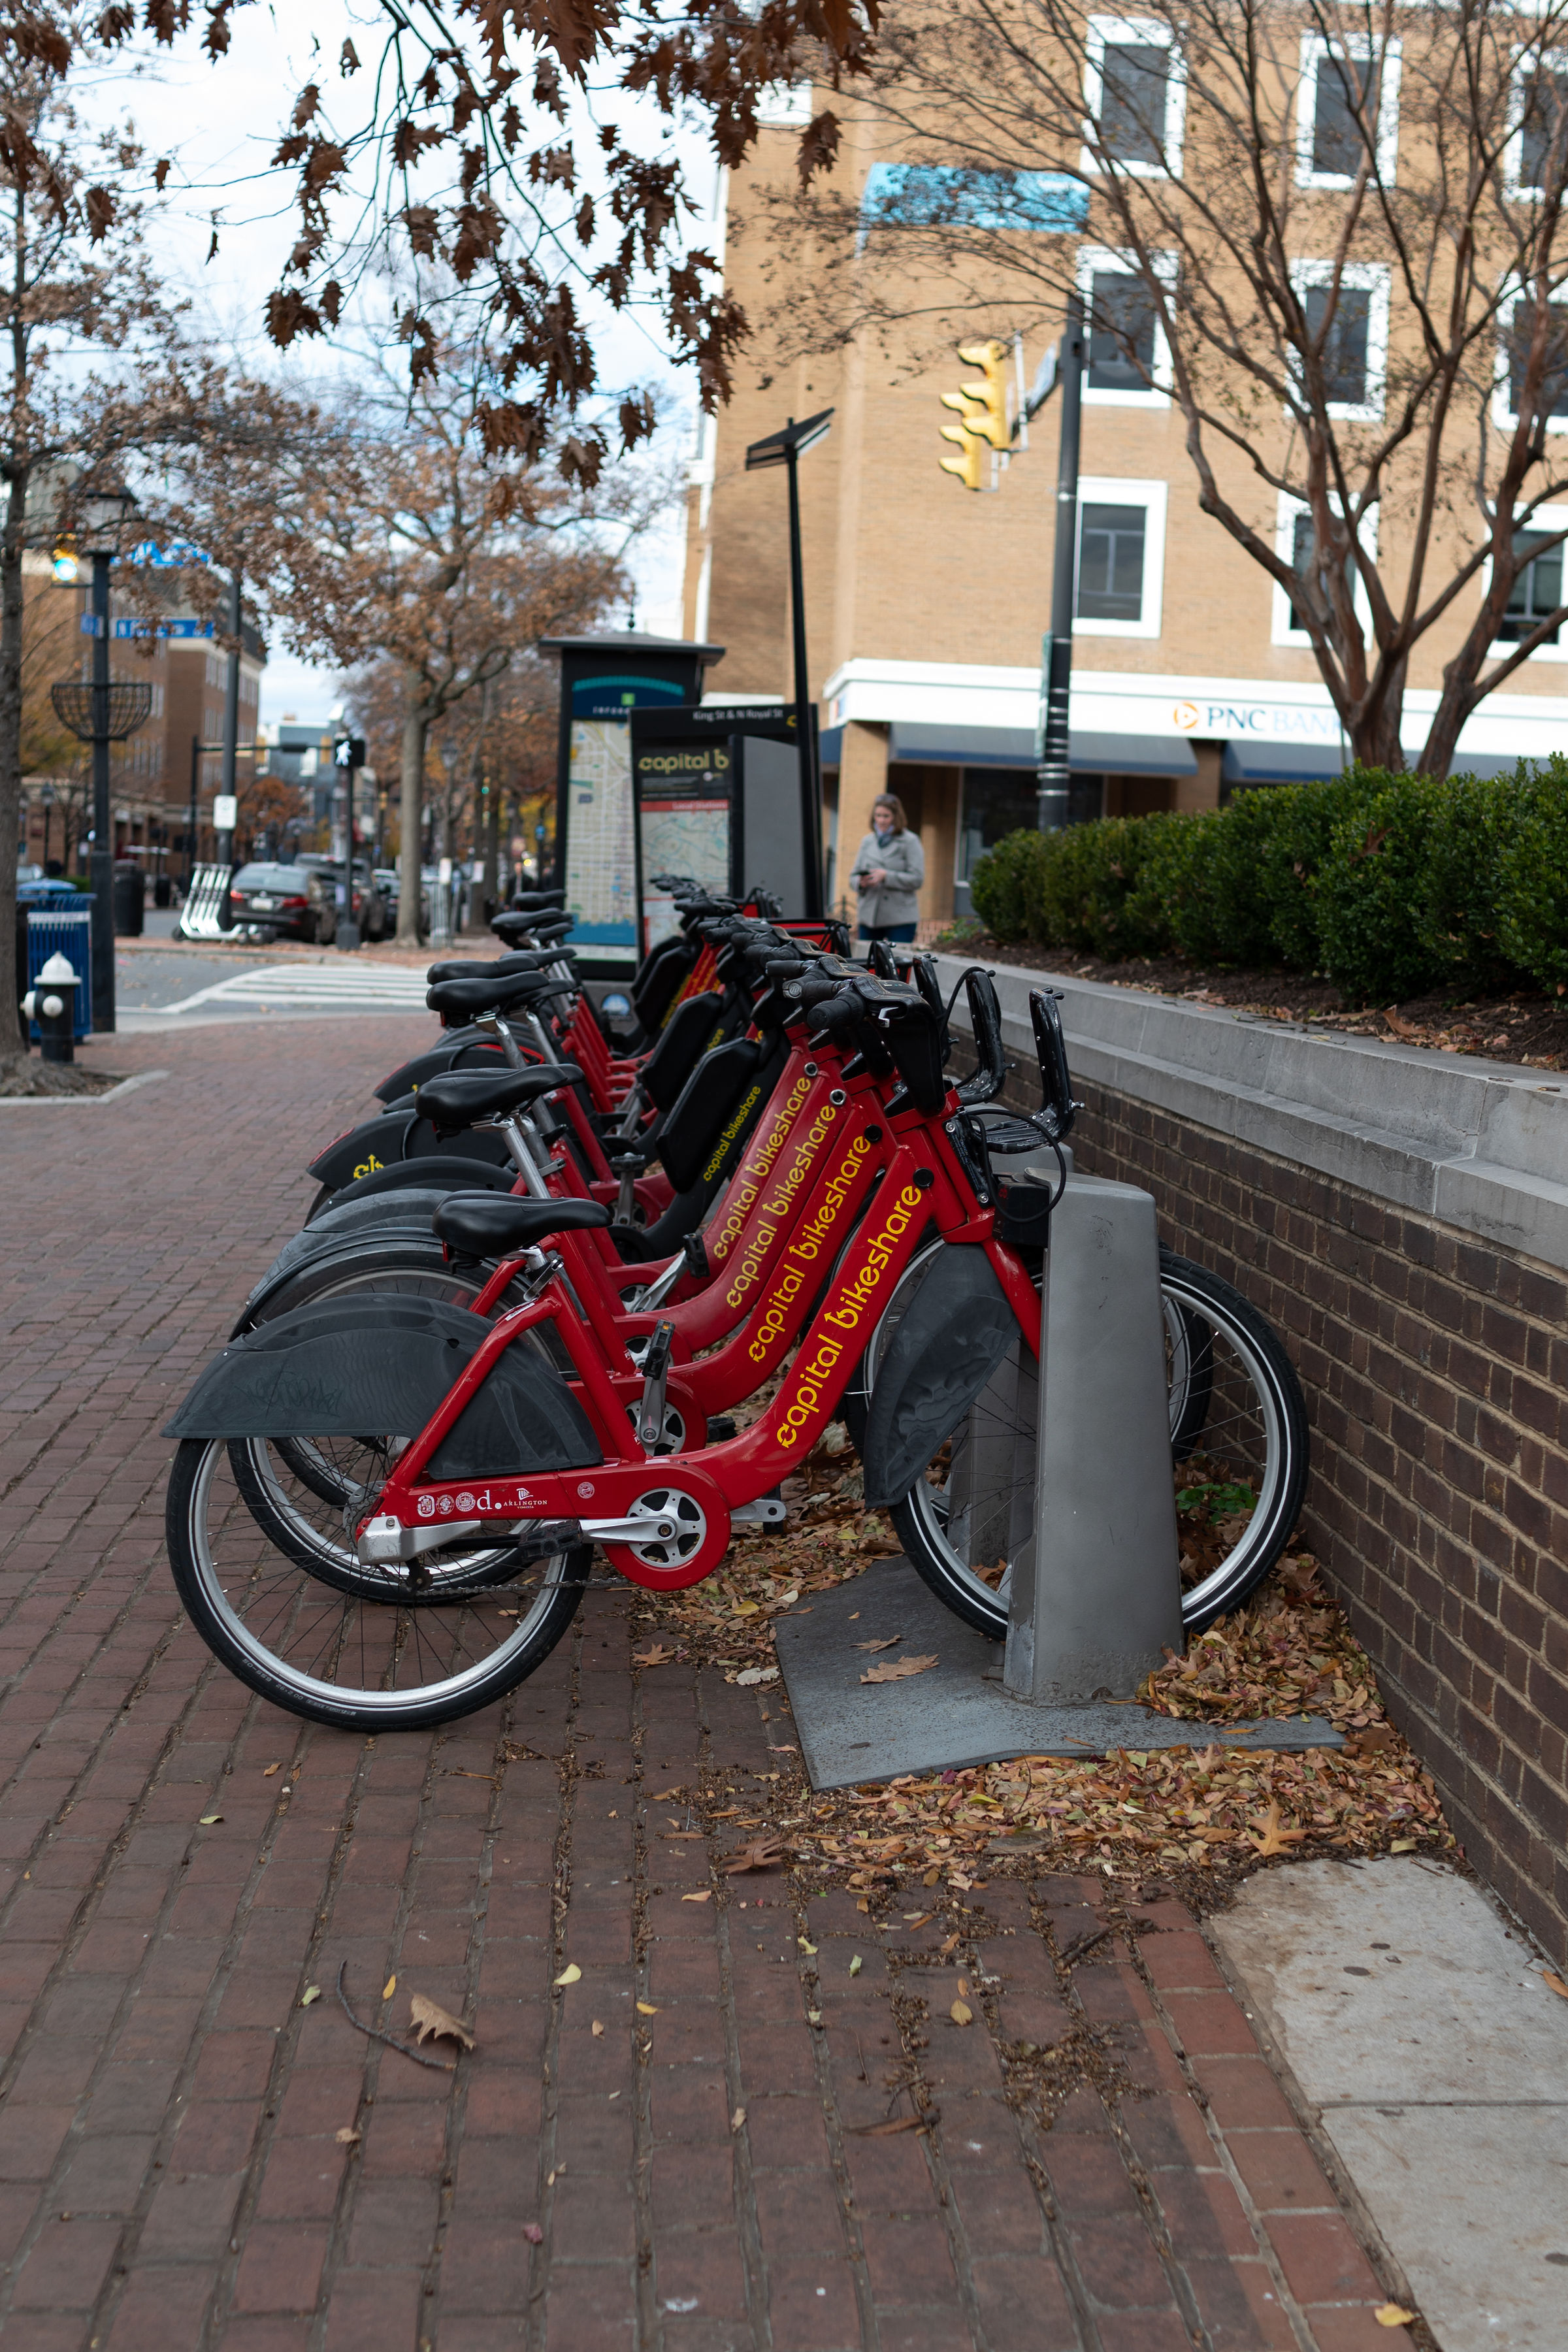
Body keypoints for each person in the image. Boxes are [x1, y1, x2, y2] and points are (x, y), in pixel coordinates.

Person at [848, 792, 924, 943]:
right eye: (878, 815)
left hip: (900, 918)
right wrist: (861, 882)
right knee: (866, 965)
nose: (881, 820)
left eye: (886, 816)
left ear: (896, 817)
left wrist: (886, 876)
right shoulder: (867, 841)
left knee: (898, 964)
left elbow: (917, 879)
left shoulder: (910, 841)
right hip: (870, 915)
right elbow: (853, 877)